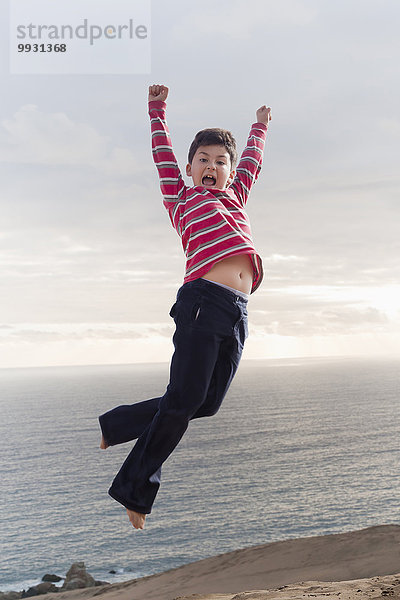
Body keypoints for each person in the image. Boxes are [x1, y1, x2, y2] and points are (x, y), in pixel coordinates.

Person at [99, 84, 271, 530]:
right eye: (203, 161)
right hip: (203, 302)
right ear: (191, 168)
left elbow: (250, 161)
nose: (212, 167)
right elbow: (161, 154)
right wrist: (157, 111)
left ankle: (117, 425)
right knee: (183, 401)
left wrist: (259, 127)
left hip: (237, 311)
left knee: (206, 403)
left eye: (220, 162)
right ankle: (134, 490)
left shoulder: (236, 195)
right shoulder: (182, 197)